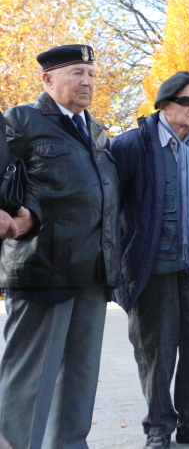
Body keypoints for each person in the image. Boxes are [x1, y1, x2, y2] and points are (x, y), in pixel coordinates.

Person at [0, 44, 118, 449]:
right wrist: (19, 213)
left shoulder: (97, 131)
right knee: (29, 383)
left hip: (92, 270)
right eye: (75, 73)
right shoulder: (22, 120)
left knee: (80, 377)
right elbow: (9, 182)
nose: (86, 81)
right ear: (48, 80)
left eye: (90, 73)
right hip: (43, 268)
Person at [111, 71, 189, 448]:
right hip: (153, 268)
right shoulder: (131, 145)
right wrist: (119, 267)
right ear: (164, 105)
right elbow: (113, 209)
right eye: (187, 101)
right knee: (156, 352)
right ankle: (159, 428)